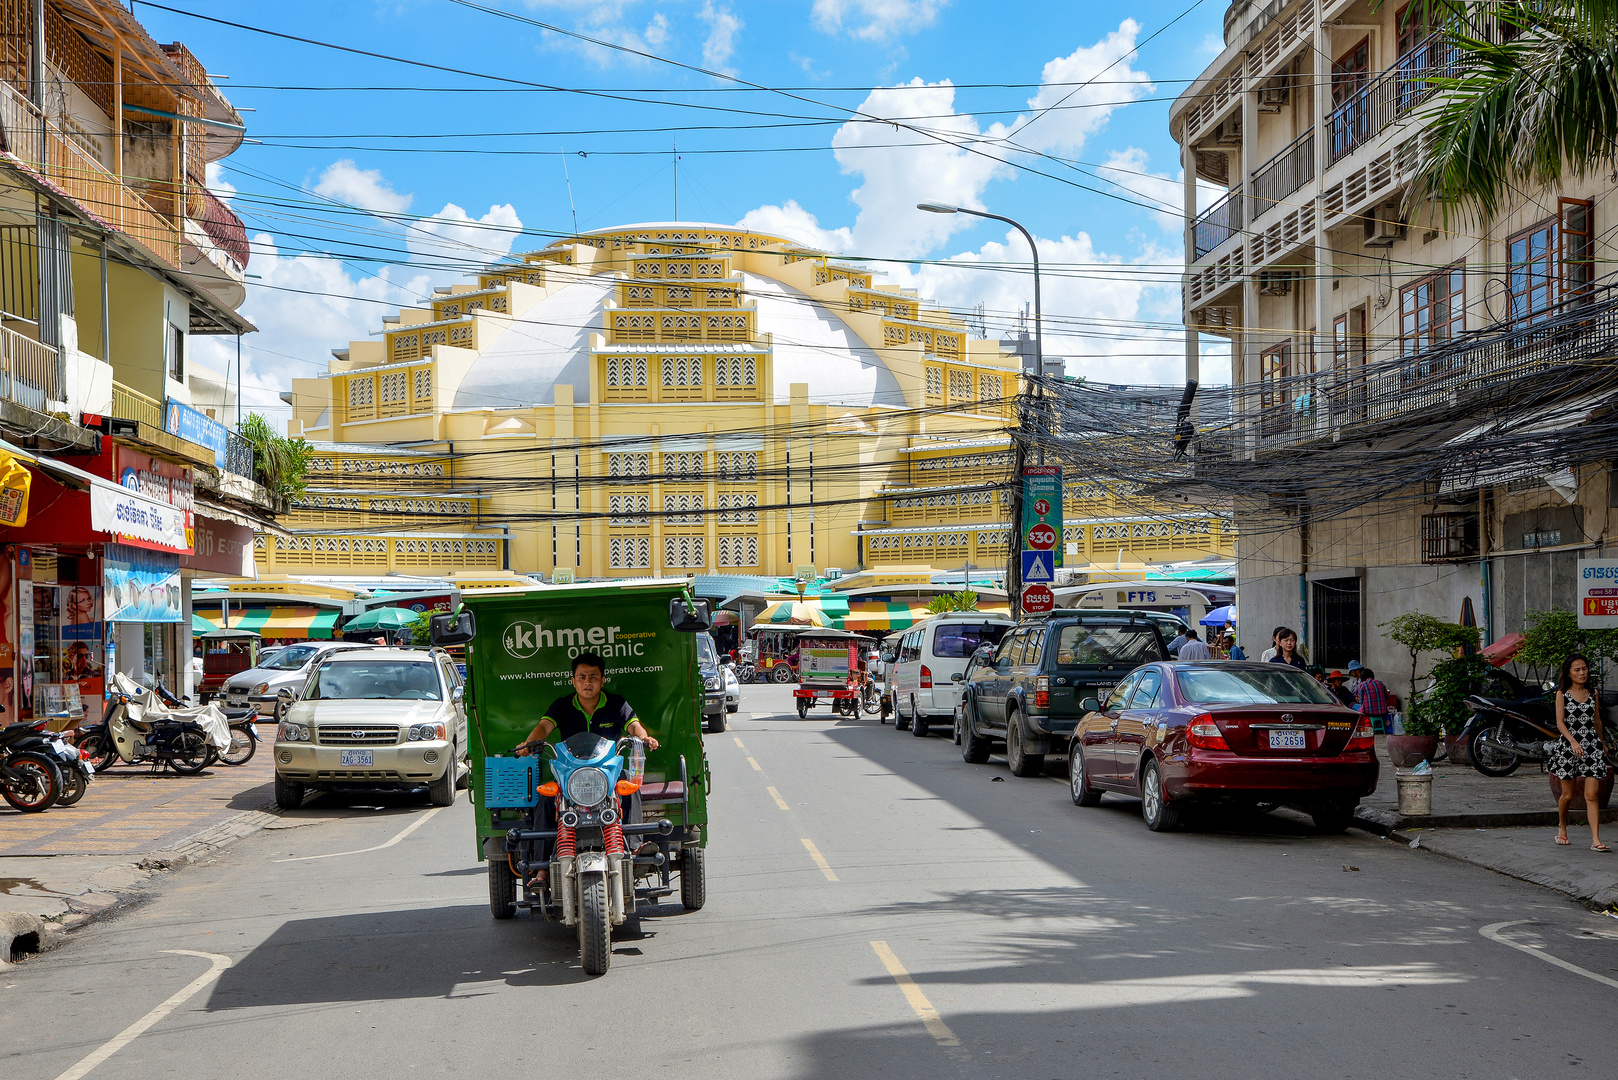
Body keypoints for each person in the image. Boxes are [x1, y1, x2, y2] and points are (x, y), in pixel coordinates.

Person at [515, 651, 660, 754]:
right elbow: (543, 728)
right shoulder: (562, 705)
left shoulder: (616, 703)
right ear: (573, 681)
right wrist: (529, 744)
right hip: (571, 769)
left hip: (608, 769)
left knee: (630, 791)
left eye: (593, 677)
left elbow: (634, 726)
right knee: (548, 796)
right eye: (582, 677)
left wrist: (643, 738)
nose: (587, 682)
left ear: (603, 680)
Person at [1551, 654, 1609, 851]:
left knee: (1592, 795)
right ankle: (1562, 827)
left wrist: (1602, 743)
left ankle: (1596, 840)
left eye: (1584, 668)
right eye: (1577, 670)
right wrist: (1573, 741)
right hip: (1569, 746)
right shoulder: (1562, 693)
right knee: (1567, 795)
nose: (1582, 673)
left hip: (1592, 747)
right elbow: (1560, 723)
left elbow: (1597, 721)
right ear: (1568, 672)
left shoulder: (1593, 693)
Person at [1351, 666, 1390, 731]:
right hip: (1383, 712)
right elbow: (1388, 696)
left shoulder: (1362, 685)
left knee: (1353, 706)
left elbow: (1361, 701)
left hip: (1368, 712)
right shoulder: (1380, 683)